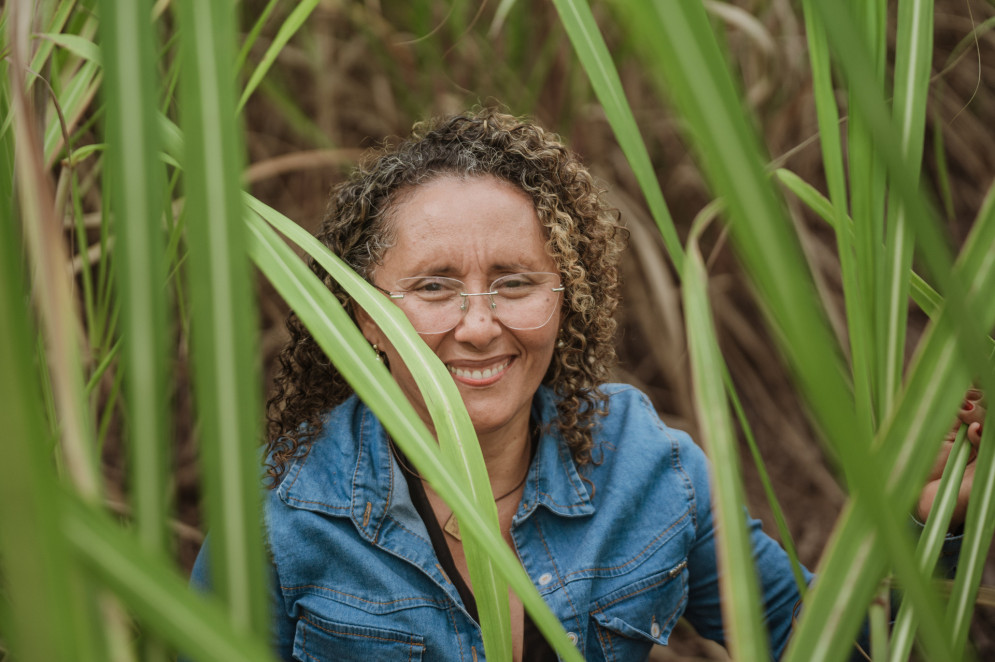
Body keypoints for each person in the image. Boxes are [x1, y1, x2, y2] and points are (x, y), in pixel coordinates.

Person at [192, 108, 986, 661]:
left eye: (513, 282)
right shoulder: (278, 516)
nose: (476, 325)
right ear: (365, 315)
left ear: (564, 299)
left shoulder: (647, 468)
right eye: (433, 287)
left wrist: (928, 516)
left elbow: (825, 644)